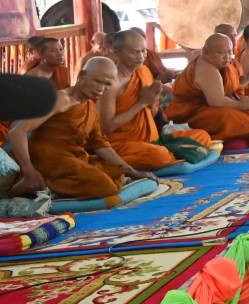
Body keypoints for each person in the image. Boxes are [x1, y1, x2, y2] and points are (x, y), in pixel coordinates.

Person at [9, 57, 156, 203]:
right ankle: (36, 185)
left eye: (107, 85)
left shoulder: (90, 104)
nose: (101, 89)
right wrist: (29, 171)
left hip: (73, 158)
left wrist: (131, 170)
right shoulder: (62, 99)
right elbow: (17, 131)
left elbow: (99, 143)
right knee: (104, 186)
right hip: (48, 158)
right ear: (81, 76)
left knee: (117, 172)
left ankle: (47, 187)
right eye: (98, 81)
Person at [100, 28, 214, 170]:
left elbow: (151, 115)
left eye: (144, 51)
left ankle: (171, 153)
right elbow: (108, 126)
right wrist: (142, 103)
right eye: (135, 52)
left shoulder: (143, 72)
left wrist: (153, 102)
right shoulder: (111, 83)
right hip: (123, 144)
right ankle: (110, 162)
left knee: (203, 136)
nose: (141, 56)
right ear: (117, 53)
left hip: (153, 140)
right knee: (160, 156)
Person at [166, 34, 249, 147]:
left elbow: (233, 90)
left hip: (211, 106)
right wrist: (241, 104)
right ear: (206, 52)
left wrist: (245, 98)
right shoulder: (206, 68)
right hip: (190, 113)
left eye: (229, 52)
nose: (227, 57)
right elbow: (216, 101)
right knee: (229, 116)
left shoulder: (226, 65)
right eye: (220, 53)